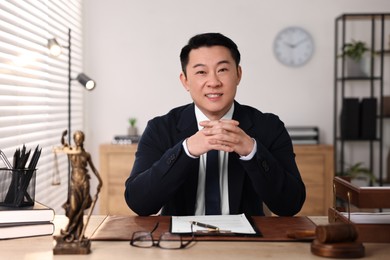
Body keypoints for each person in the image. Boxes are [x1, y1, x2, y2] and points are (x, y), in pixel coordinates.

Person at [124, 33, 305, 216]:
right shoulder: (160, 128)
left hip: (247, 241)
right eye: (201, 72)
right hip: (179, 241)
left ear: (238, 75)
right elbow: (139, 203)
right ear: (185, 81)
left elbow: (290, 205)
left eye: (222, 70)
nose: (213, 82)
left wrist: (252, 151)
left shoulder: (268, 126)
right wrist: (186, 150)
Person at [54, 130, 103, 242]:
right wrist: (62, 135)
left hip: (84, 182)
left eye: (80, 138)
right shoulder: (71, 152)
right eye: (76, 138)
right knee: (73, 207)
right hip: (74, 182)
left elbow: (93, 169)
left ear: (83, 139)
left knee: (81, 209)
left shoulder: (86, 154)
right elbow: (63, 144)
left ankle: (77, 234)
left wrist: (100, 180)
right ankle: (69, 230)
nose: (78, 140)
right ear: (74, 139)